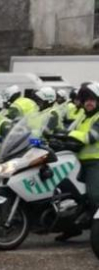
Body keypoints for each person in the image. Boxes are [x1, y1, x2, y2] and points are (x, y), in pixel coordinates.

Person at [66, 82, 99, 242]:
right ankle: (71, 227)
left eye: (92, 99)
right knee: (69, 193)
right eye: (86, 100)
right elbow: (68, 132)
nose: (89, 102)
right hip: (78, 162)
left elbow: (90, 137)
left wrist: (71, 134)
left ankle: (96, 231)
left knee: (94, 196)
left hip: (96, 163)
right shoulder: (82, 117)